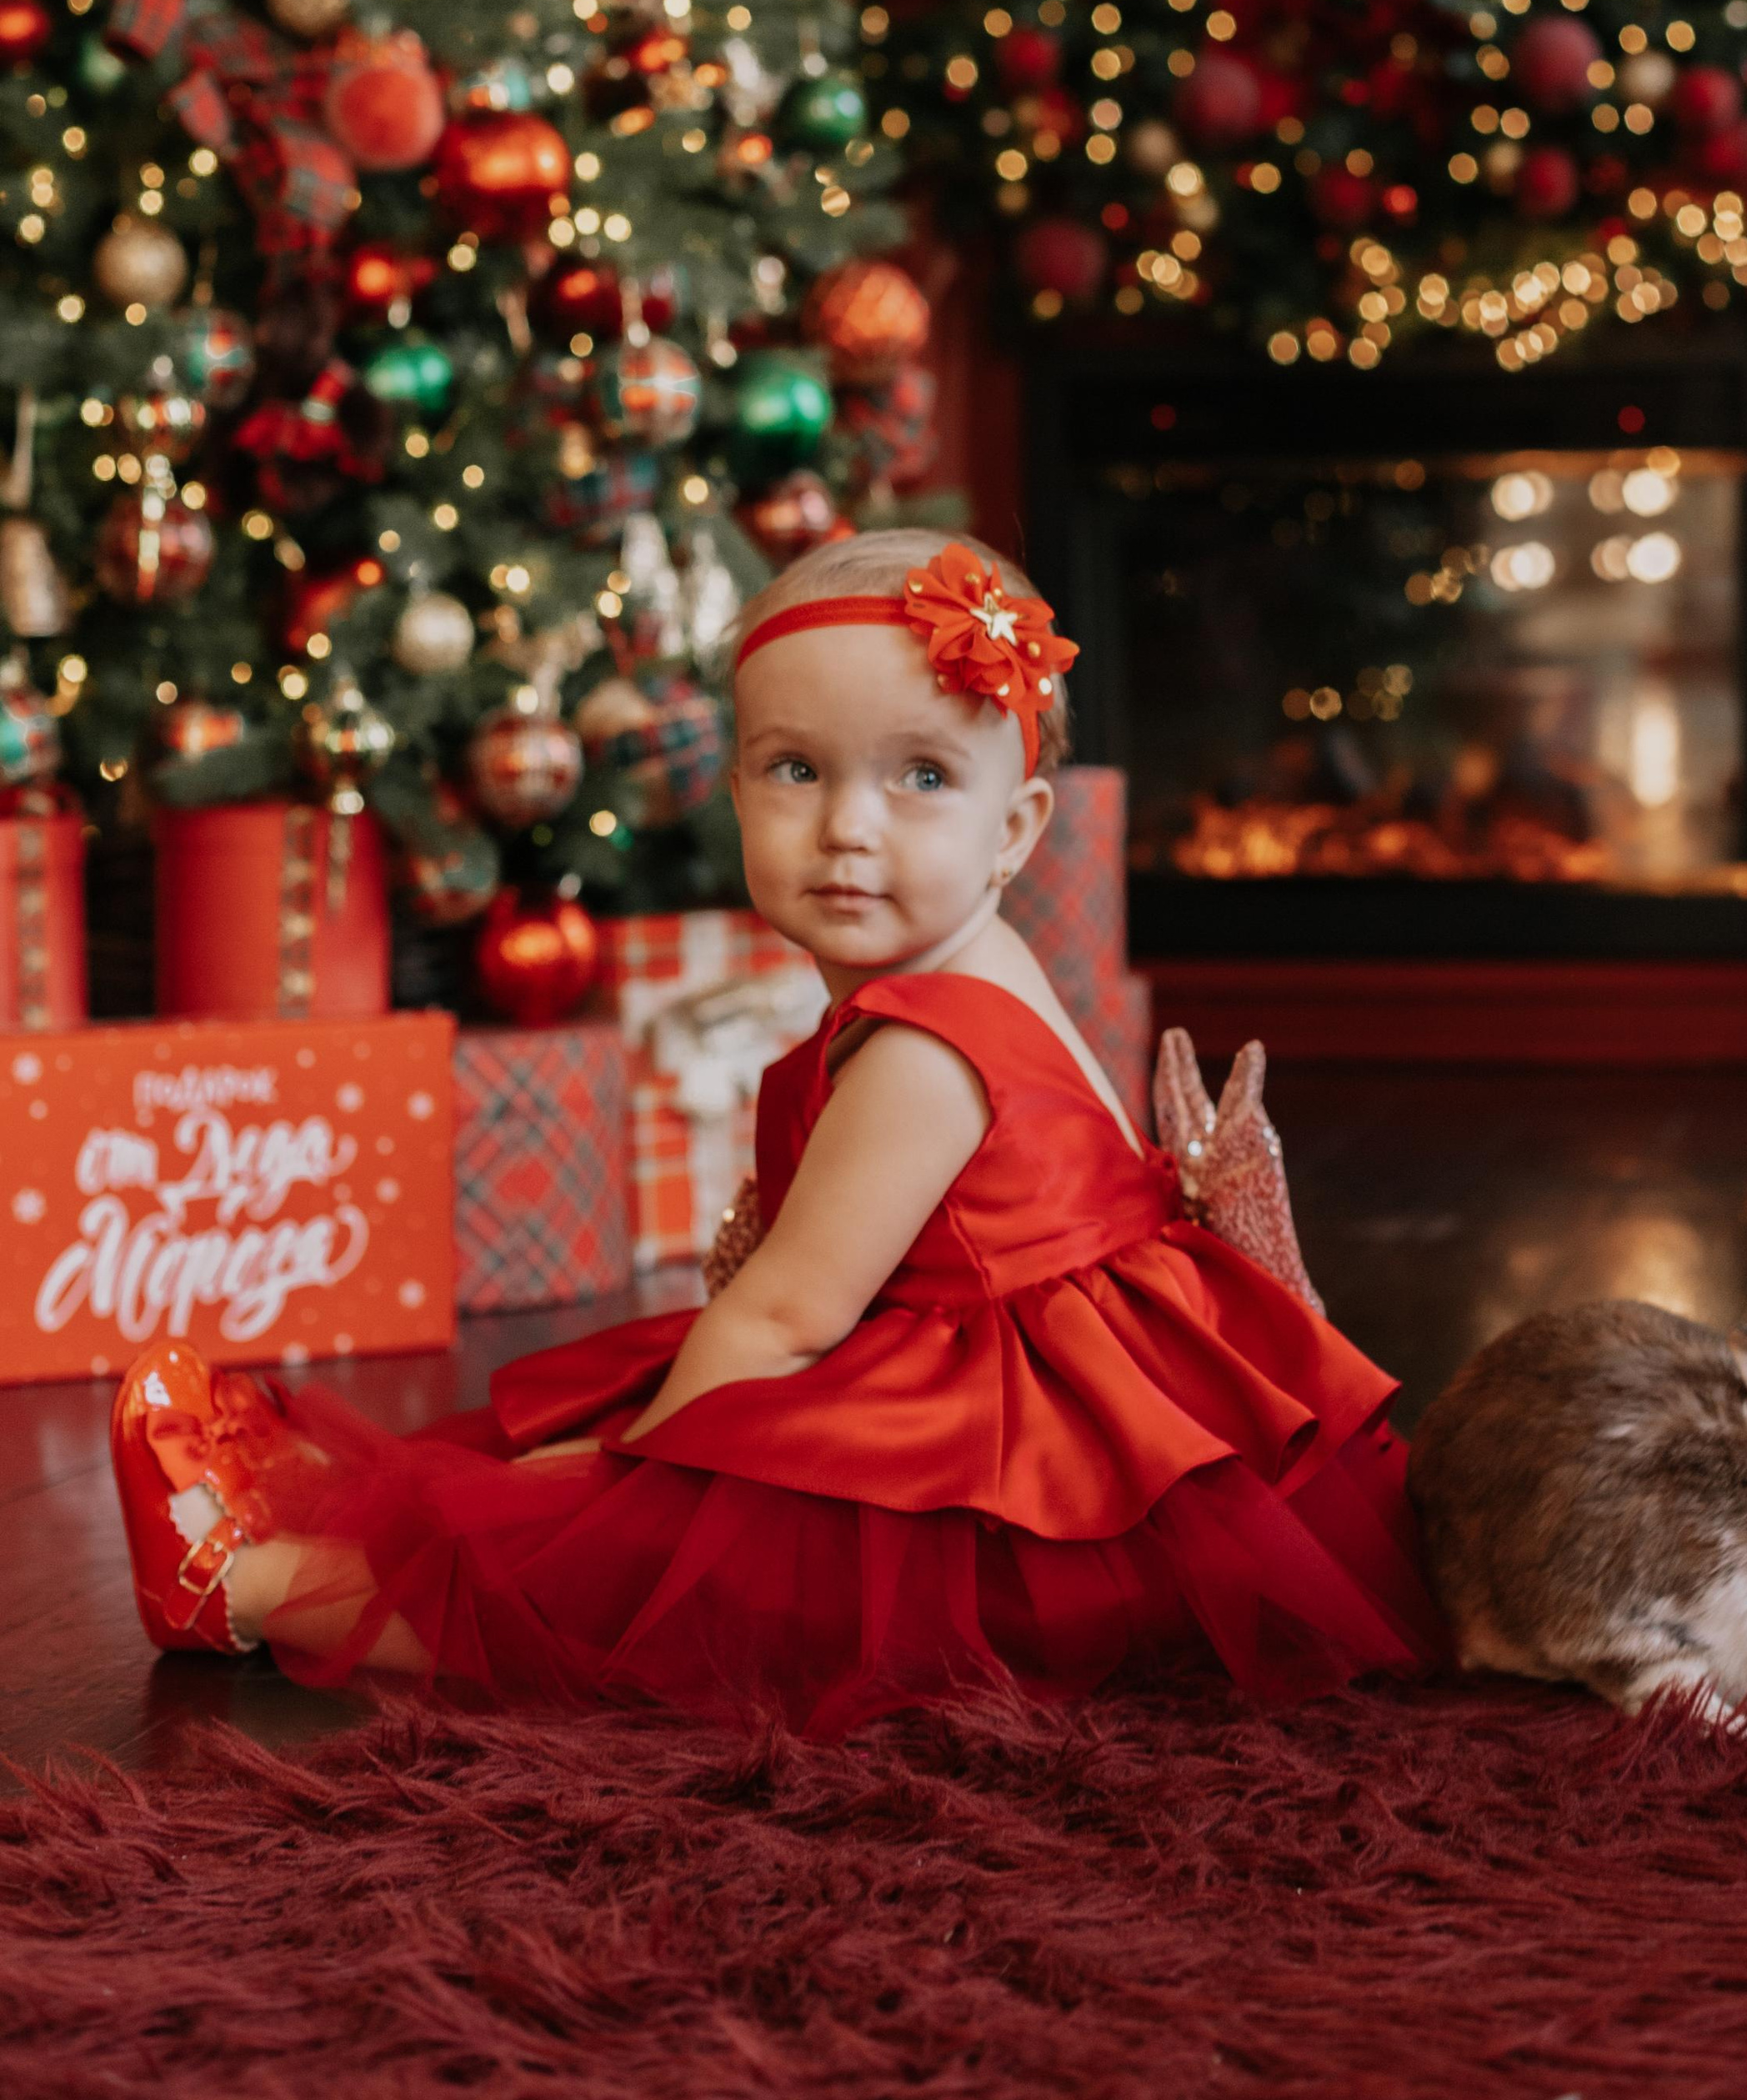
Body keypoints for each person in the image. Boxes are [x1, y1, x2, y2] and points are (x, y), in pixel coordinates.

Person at [108, 532, 1439, 1729]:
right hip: (1009, 1398)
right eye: (797, 770)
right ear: (739, 796)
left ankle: (250, 1582)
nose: (848, 828)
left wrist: (636, 1486)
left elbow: (784, 1325)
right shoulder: (969, 967)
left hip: (1019, 1510)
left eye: (922, 776)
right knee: (593, 1409)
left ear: (1015, 831)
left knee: (621, 1567)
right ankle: (336, 1511)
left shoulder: (927, 1048)